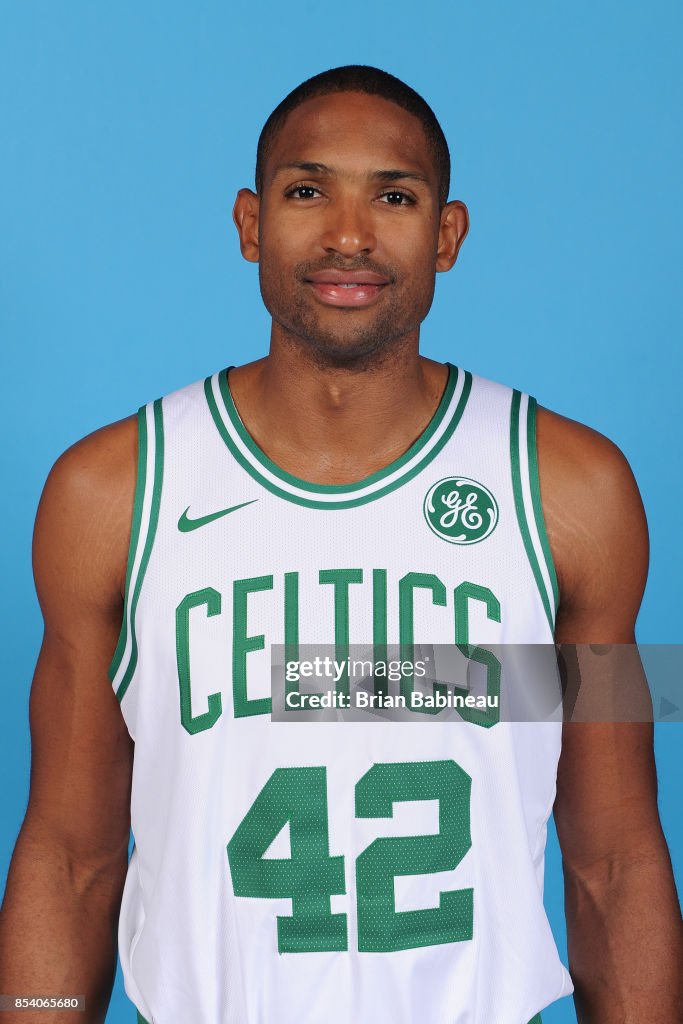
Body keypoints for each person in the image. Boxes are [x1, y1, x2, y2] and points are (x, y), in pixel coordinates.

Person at [0, 65, 680, 1024]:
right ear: (250, 223)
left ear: (447, 235)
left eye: (393, 196)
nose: (348, 234)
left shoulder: (574, 490)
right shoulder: (109, 493)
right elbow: (70, 854)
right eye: (307, 190)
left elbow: (614, 859)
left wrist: (399, 678)